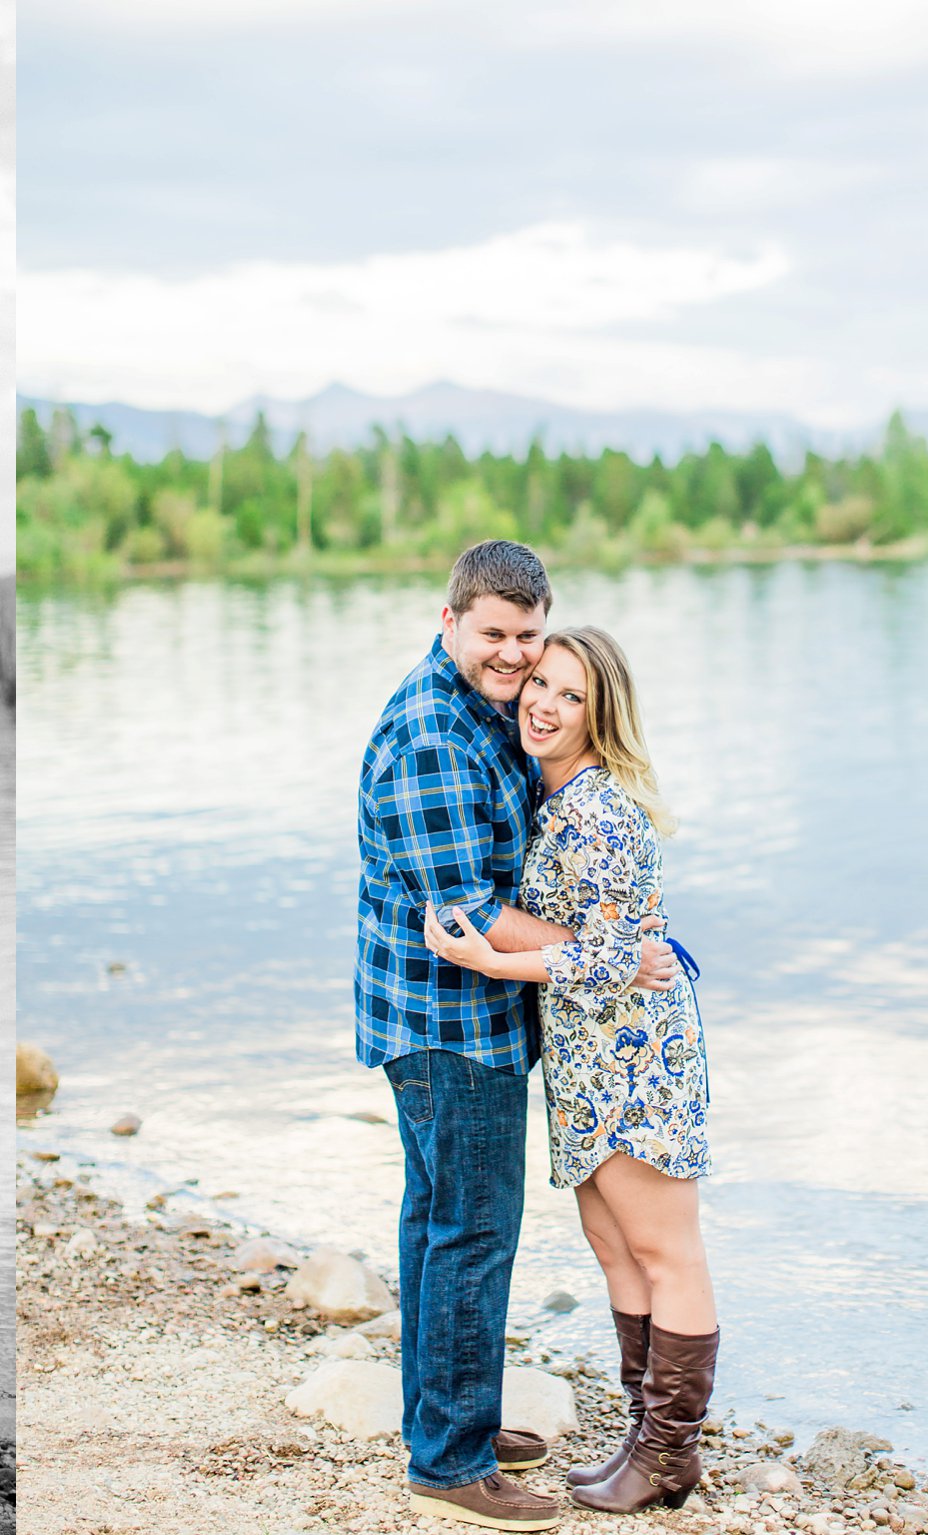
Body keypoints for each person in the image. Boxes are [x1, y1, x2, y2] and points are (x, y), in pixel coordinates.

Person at [354, 540, 677, 1532]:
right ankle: (448, 1461)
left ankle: (446, 1416)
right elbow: (471, 916)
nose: (510, 656)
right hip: (449, 1028)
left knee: (434, 1222)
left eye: (526, 638)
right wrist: (608, 951)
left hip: (454, 1022)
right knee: (471, 1232)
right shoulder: (431, 740)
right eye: (492, 634)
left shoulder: (480, 704)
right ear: (446, 619)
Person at [424, 626, 716, 1515]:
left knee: (665, 1250)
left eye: (570, 694)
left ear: (603, 713)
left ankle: (670, 1451)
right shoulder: (552, 797)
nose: (543, 704)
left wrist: (491, 962)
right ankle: (646, 1438)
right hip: (587, 1058)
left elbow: (617, 956)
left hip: (637, 1059)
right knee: (612, 1245)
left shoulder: (604, 810)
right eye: (539, 684)